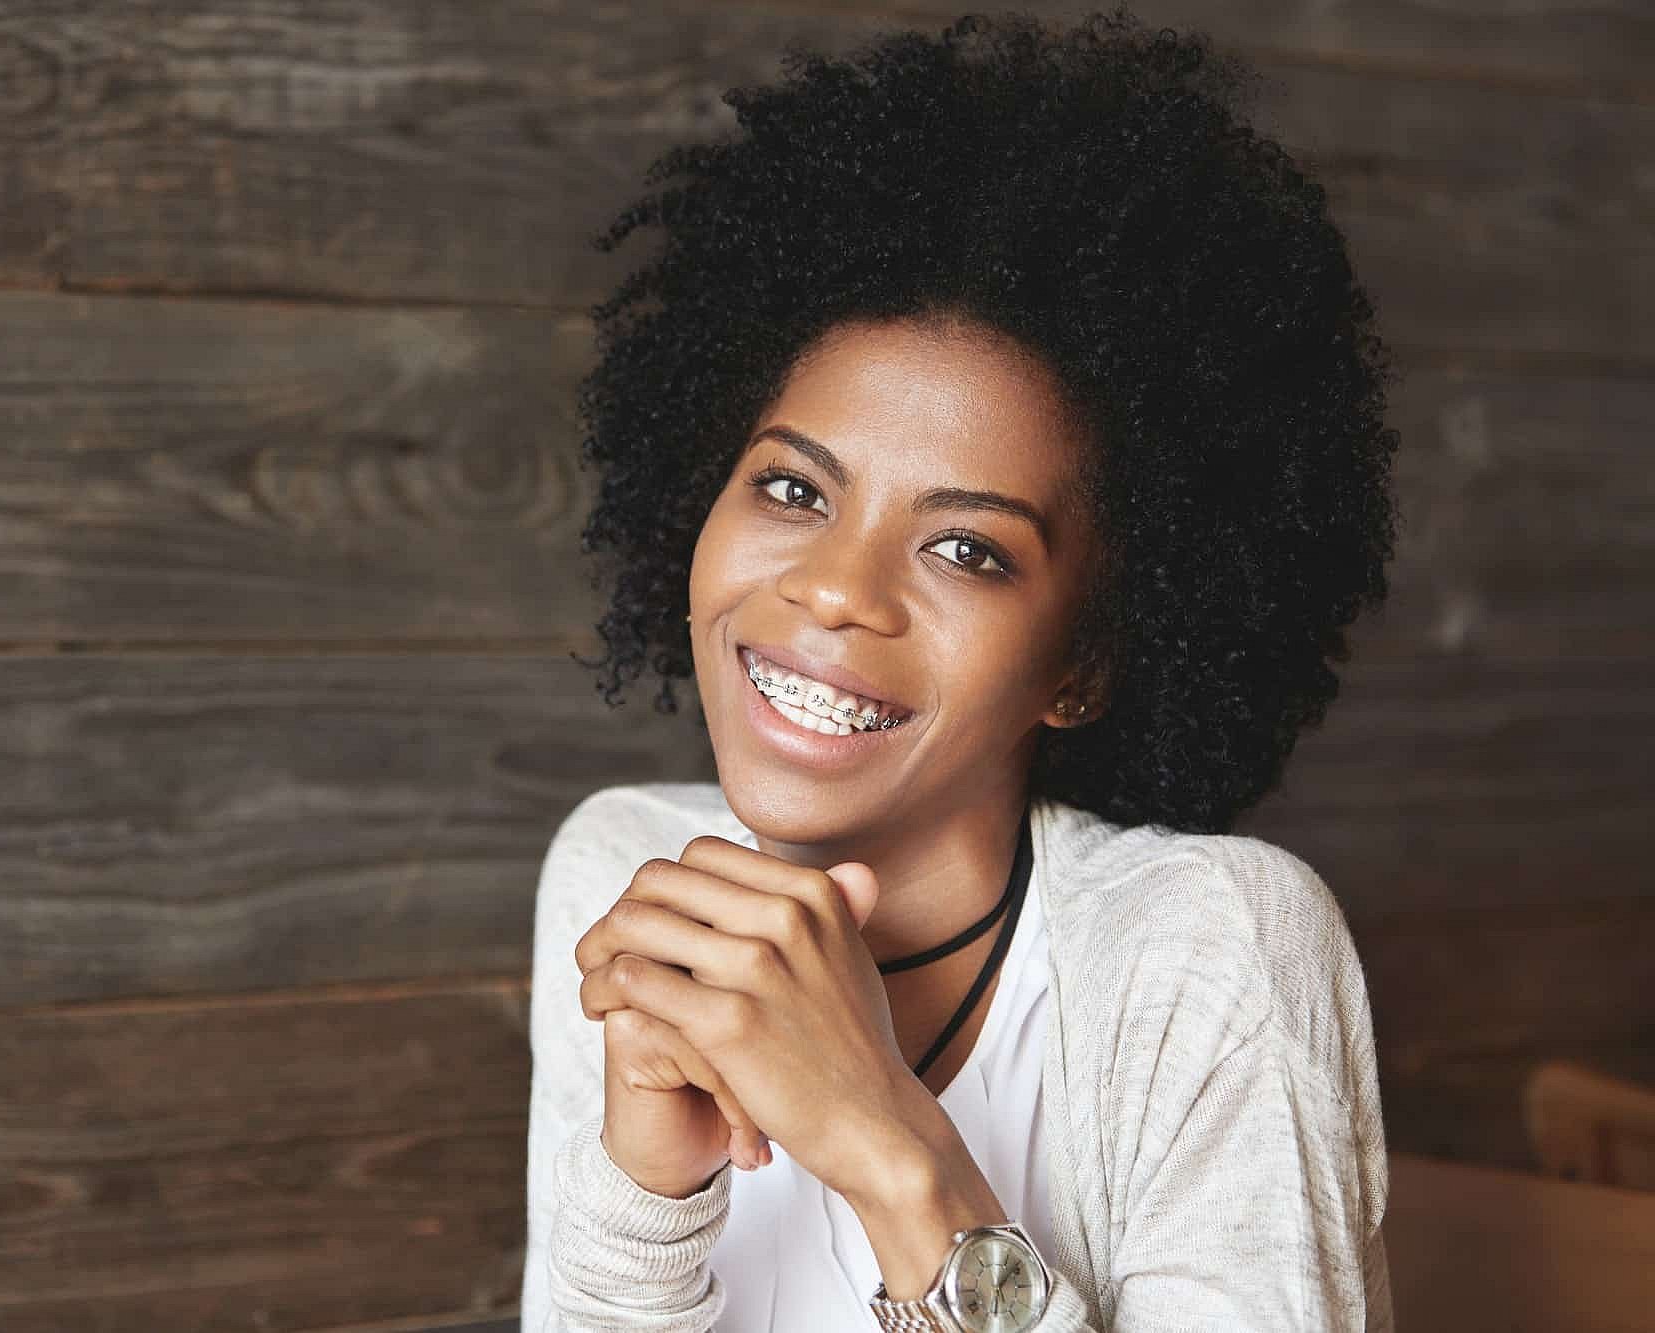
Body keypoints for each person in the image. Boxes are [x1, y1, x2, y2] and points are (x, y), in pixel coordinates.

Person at [524, 7, 1400, 1330]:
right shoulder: (629, 880)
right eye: (791, 486)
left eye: (968, 550)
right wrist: (649, 1200)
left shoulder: (1212, 951)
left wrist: (890, 1145)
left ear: (1087, 663)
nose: (835, 588)